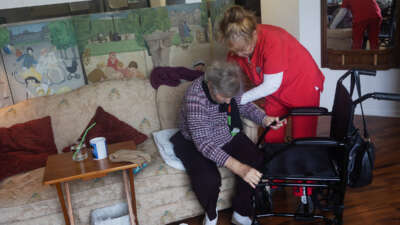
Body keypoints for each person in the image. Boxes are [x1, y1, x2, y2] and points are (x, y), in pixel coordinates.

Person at [170, 61, 284, 225]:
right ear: (210, 85)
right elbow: (203, 142)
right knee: (208, 179)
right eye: (224, 97)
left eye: (232, 97)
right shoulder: (194, 96)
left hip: (226, 132)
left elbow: (243, 105)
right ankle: (210, 215)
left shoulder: (232, 85)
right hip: (194, 139)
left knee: (255, 159)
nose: (230, 102)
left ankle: (240, 212)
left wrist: (264, 119)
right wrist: (239, 167)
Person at [219, 5, 325, 144]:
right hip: (275, 93)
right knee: (271, 132)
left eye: (244, 49)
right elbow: (227, 75)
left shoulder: (273, 40)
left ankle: (301, 162)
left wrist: (237, 100)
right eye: (235, 50)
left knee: (302, 137)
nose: (240, 55)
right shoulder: (237, 48)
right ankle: (274, 158)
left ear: (254, 34)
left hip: (302, 84)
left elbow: (271, 85)